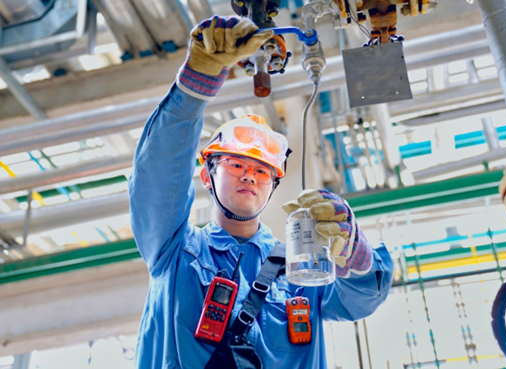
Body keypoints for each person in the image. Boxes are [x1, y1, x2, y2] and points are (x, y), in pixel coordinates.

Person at [129, 15, 393, 369]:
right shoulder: (175, 253)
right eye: (237, 165)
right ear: (208, 176)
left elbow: (359, 301)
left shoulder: (301, 269)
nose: (250, 177)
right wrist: (197, 84)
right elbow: (157, 181)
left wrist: (355, 253)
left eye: (262, 171)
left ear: (273, 185)